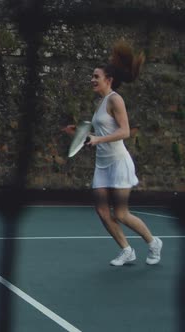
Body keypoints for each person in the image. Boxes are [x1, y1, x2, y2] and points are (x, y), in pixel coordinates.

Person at [64, 41, 162, 266]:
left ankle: (153, 242)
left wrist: (98, 139)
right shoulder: (100, 103)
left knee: (120, 213)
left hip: (118, 163)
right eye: (92, 76)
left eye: (96, 76)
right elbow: (100, 132)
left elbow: (124, 131)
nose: (92, 79)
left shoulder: (116, 99)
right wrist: (79, 133)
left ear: (108, 79)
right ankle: (127, 250)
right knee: (101, 210)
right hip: (102, 164)